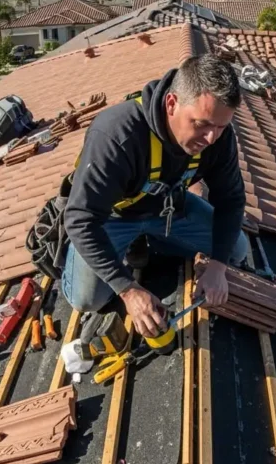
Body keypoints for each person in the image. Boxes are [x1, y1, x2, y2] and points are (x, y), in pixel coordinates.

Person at [62, 54, 249, 339]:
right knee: (87, 300)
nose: (211, 139)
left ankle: (148, 240)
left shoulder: (218, 138)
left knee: (234, 250)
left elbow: (231, 200)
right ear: (171, 104)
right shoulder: (117, 135)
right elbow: (80, 218)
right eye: (202, 124)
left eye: (221, 127)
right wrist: (128, 290)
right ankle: (94, 255)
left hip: (170, 210)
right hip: (114, 219)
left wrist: (217, 268)